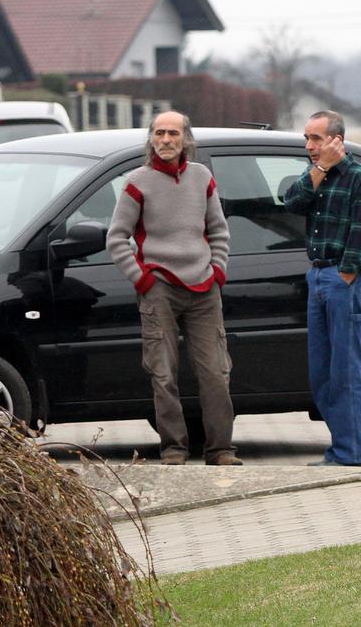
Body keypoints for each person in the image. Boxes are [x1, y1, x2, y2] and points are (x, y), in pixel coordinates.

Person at [107, 111, 241, 466]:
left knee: (215, 371)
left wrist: (218, 271)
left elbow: (219, 231)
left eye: (173, 134)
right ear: (151, 139)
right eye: (159, 133)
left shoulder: (202, 177)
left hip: (204, 288)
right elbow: (116, 238)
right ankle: (174, 448)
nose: (166, 140)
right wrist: (143, 279)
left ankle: (221, 449)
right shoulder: (138, 181)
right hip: (159, 288)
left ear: (186, 139)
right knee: (163, 372)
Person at [283, 110, 361, 467]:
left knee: (345, 370)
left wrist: (346, 276)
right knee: (321, 373)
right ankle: (341, 449)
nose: (309, 146)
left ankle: (353, 453)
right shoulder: (315, 176)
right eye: (307, 138)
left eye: (316, 139)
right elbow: (292, 202)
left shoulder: (360, 179)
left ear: (336, 140)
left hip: (344, 281)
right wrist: (321, 169)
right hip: (318, 277)